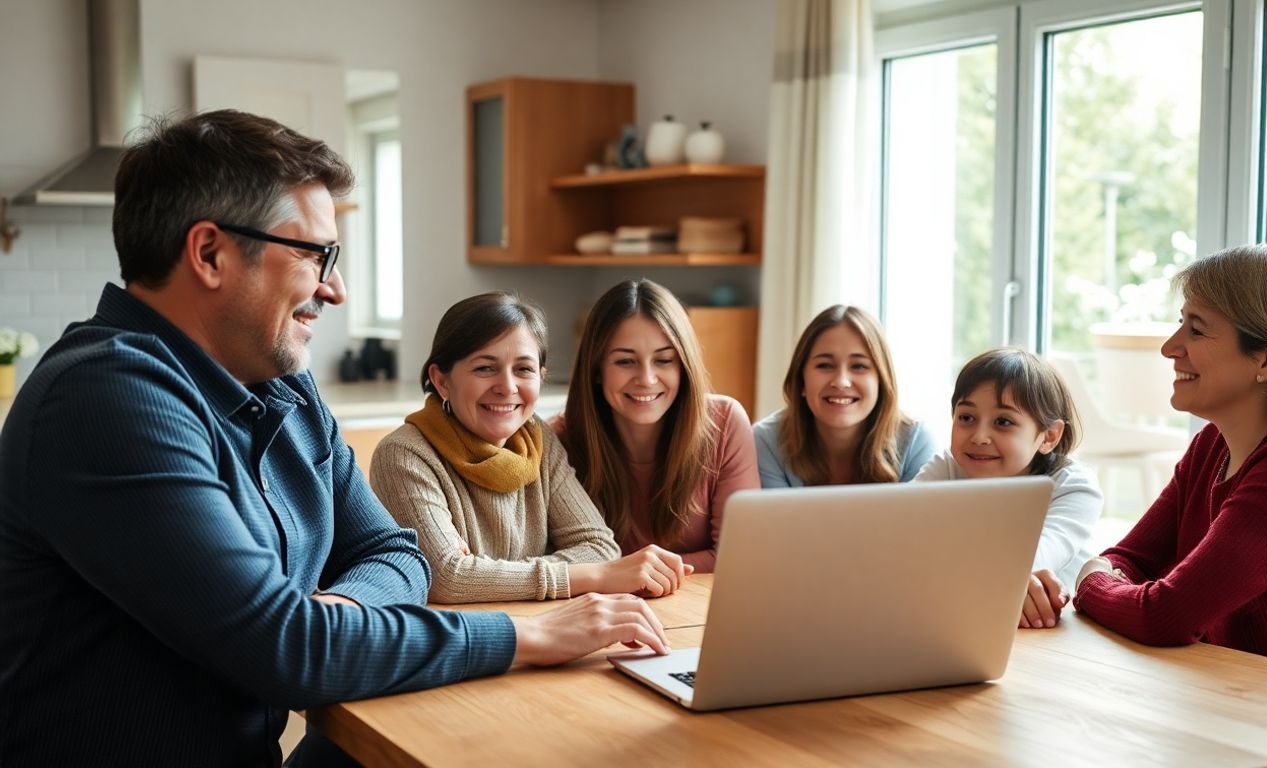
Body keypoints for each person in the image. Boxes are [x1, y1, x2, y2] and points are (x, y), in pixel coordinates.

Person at [0, 110, 667, 767]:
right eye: (315, 254)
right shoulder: (106, 398)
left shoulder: (284, 387)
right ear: (209, 254)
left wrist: (336, 615)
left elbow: (395, 553)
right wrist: (528, 636)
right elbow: (289, 652)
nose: (336, 288)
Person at [1073, 245, 1267, 678]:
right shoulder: (1213, 444)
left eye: (1196, 330)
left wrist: (1090, 580)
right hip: (1238, 699)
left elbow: (1164, 615)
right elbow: (1132, 558)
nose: (1169, 348)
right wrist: (1107, 575)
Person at [370, 292, 691, 602]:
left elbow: (601, 548)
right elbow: (446, 578)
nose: (507, 386)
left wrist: (482, 574)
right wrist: (591, 575)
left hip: (547, 625)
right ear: (442, 381)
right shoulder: (404, 455)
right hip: (466, 636)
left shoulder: (539, 441)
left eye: (523, 369)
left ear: (541, 377)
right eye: (485, 368)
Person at [551, 278, 760, 572]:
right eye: (625, 362)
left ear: (683, 366)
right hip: (604, 601)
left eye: (663, 360)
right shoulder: (558, 442)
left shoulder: (725, 422)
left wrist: (630, 573)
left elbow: (739, 554)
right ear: (596, 370)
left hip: (701, 600)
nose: (646, 379)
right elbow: (556, 563)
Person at [914, 347, 1101, 629]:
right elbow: (900, 536)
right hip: (969, 616)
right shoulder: (948, 467)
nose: (979, 437)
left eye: (1003, 422)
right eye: (966, 418)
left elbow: (1031, 560)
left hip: (1061, 631)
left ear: (1049, 436)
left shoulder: (1074, 486)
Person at [753, 304, 935, 487]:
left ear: (881, 380)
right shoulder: (766, 441)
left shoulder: (915, 442)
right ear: (801, 380)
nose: (841, 381)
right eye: (825, 365)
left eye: (859, 366)